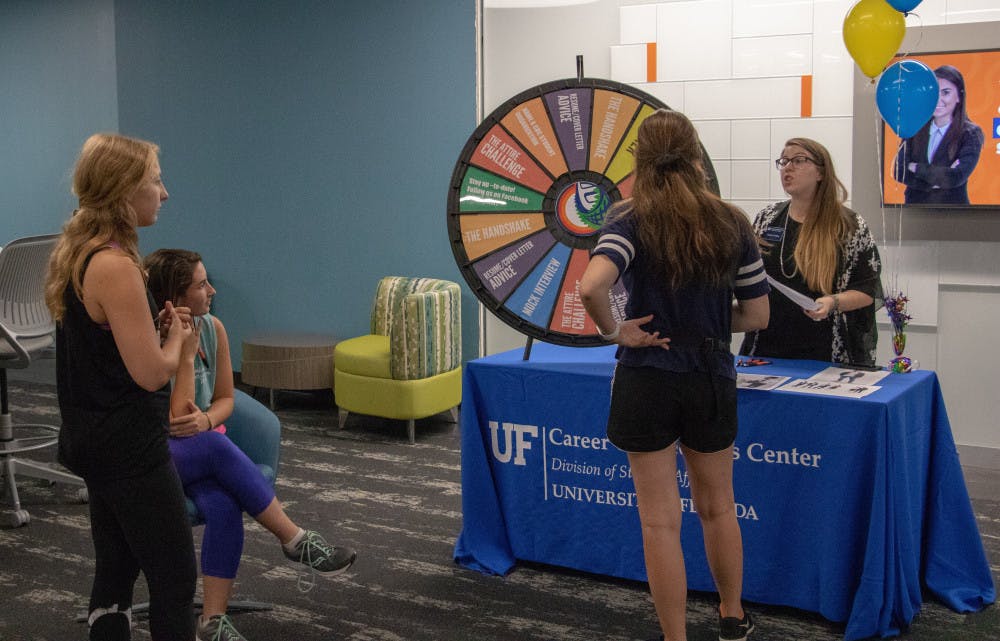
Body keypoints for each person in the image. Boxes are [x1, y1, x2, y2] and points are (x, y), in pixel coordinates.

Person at [580, 109, 770, 641]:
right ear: (696, 155)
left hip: (647, 377)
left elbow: (592, 287)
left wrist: (615, 330)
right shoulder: (732, 222)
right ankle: (732, 616)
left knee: (659, 521)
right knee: (718, 508)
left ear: (640, 158)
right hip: (710, 375)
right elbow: (757, 317)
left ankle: (675, 636)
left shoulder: (630, 219)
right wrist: (706, 323)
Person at [143, 248, 357, 641]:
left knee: (224, 501)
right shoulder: (151, 339)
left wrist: (208, 419)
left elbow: (225, 398)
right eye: (201, 284)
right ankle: (294, 539)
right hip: (158, 456)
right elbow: (175, 422)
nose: (211, 290)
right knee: (214, 446)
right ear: (175, 297)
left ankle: (212, 622)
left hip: (201, 450)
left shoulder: (214, 327)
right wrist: (186, 356)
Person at [44, 133, 199, 640]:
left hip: (93, 437)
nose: (165, 192)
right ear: (124, 189)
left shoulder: (80, 252)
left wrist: (151, 335)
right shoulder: (115, 266)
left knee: (115, 571)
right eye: (156, 181)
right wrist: (178, 343)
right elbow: (151, 374)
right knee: (174, 579)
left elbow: (103, 352)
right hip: (129, 446)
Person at [739, 137, 882, 366]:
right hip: (767, 348)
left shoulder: (849, 226)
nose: (788, 167)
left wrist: (832, 302)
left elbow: (867, 290)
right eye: (784, 161)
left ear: (821, 173)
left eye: (799, 160)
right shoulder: (767, 219)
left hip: (824, 351)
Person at [892, 65, 984, 205]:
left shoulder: (970, 133)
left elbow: (956, 176)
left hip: (955, 214)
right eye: (934, 92)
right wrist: (938, 181)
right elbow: (899, 171)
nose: (938, 99)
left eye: (945, 92)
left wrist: (916, 167)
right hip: (914, 212)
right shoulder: (915, 127)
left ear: (959, 96)